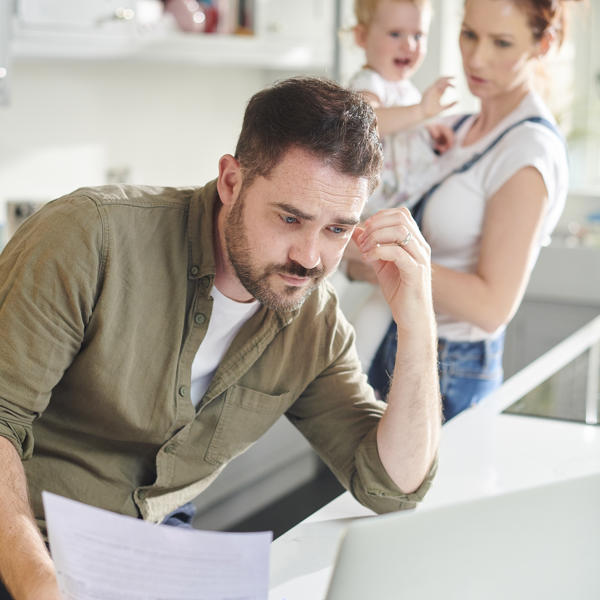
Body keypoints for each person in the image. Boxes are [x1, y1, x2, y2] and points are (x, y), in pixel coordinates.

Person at [0, 76, 441, 600]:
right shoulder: (90, 238)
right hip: (24, 546)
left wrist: (418, 324)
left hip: (154, 553)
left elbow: (391, 486)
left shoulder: (314, 324)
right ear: (231, 181)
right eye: (289, 217)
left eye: (337, 230)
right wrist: (43, 587)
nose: (309, 257)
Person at [350, 0, 579, 421]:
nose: (476, 58)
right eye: (469, 33)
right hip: (394, 344)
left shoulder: (528, 152)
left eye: (502, 42)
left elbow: (491, 308)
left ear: (543, 44)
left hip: (448, 370)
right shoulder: (451, 130)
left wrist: (374, 257)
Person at [334, 0, 456, 370]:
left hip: (402, 208)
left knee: (388, 296)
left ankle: (353, 368)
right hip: (377, 209)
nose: (410, 45)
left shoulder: (404, 89)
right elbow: (368, 120)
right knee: (379, 291)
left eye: (418, 35)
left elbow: (404, 125)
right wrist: (422, 113)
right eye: (395, 34)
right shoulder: (368, 83)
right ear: (361, 37)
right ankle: (346, 364)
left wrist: (429, 129)